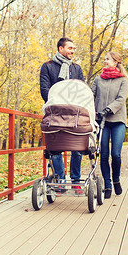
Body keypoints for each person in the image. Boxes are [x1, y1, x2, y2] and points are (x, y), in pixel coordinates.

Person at [40, 37, 84, 188]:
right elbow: (44, 89)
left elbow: (81, 89)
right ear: (61, 49)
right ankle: (60, 180)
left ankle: (76, 181)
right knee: (55, 148)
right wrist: (56, 105)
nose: (72, 51)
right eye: (70, 48)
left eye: (73, 49)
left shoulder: (77, 69)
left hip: (73, 114)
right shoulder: (47, 66)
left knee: (77, 148)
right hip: (55, 113)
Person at [91, 52, 128, 199]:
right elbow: (91, 96)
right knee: (104, 154)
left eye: (108, 59)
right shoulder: (98, 79)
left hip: (118, 120)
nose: (105, 61)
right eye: (105, 59)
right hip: (102, 121)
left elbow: (121, 99)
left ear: (116, 62)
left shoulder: (123, 80)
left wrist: (108, 109)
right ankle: (107, 185)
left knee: (116, 154)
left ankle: (116, 179)